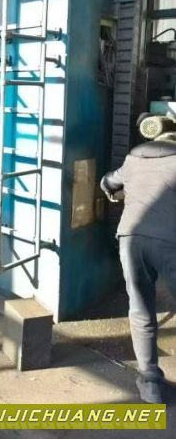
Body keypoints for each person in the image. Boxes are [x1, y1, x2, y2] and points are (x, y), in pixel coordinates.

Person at [101, 133, 176, 404]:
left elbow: (108, 181)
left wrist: (115, 192)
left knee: (141, 308)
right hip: (171, 241)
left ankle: (151, 383)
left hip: (131, 239)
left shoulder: (133, 159)